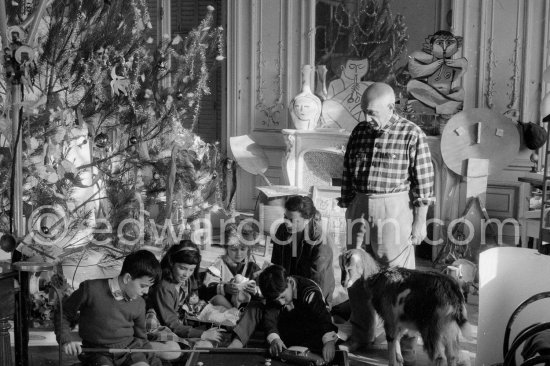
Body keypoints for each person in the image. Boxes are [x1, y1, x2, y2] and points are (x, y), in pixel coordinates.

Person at [340, 82, 435, 364]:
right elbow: (347, 169)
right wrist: (349, 205)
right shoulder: (359, 131)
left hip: (394, 207)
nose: (366, 119)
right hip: (360, 205)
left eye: (371, 113)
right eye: (363, 112)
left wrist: (421, 222)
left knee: (398, 277)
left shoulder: (411, 133)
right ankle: (363, 332)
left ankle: (405, 343)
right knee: (355, 272)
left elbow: (424, 184)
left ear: (390, 107)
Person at [54, 250, 171, 366]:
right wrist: (66, 341)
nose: (146, 292)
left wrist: (153, 361)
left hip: (129, 351)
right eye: (143, 286)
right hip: (97, 353)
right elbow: (63, 314)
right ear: (127, 278)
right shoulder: (90, 289)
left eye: (149, 287)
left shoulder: (139, 303)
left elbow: (141, 338)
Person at [230, 265, 339, 364]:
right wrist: (274, 339)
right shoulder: (275, 292)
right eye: (277, 299)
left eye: (283, 297)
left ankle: (304, 356)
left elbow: (323, 318)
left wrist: (329, 342)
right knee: (255, 307)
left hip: (307, 331)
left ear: (290, 282)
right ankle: (234, 347)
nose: (281, 302)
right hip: (285, 330)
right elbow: (270, 316)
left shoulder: (309, 292)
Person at [146, 240, 222, 346]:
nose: (186, 274)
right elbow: (170, 322)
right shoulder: (164, 287)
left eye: (191, 270)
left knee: (209, 343)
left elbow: (195, 289)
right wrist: (202, 334)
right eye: (182, 268)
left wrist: (194, 296)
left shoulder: (186, 279)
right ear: (171, 263)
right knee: (184, 347)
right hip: (160, 324)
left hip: (177, 324)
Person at [270, 195, 335, 305]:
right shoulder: (282, 230)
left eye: (293, 220)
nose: (287, 223)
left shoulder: (320, 240)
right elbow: (276, 265)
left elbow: (318, 283)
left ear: (307, 219)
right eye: (285, 217)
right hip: (287, 290)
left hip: (313, 294)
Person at [200, 222, 261, 309]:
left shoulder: (253, 267)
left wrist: (254, 290)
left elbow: (266, 289)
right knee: (218, 299)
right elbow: (206, 289)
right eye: (233, 249)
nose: (238, 254)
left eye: (243, 249)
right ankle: (235, 316)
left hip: (246, 308)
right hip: (225, 308)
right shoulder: (219, 265)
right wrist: (224, 288)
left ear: (248, 249)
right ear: (226, 248)